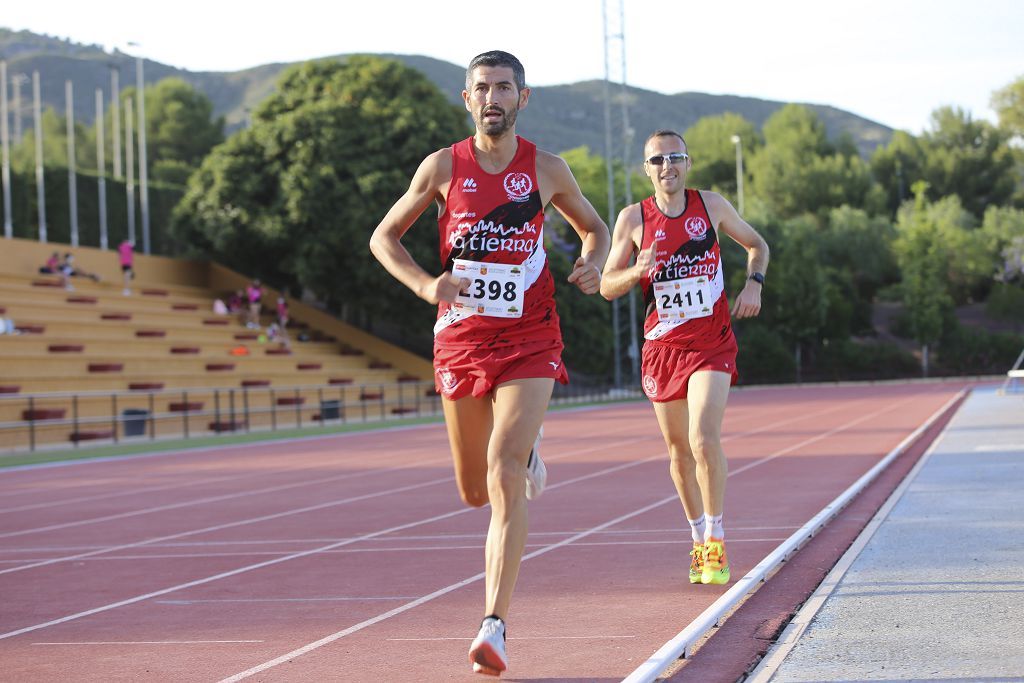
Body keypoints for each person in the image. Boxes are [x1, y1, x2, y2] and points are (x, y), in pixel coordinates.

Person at [369, 50, 609, 676]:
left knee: (502, 475)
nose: (494, 97)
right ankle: (526, 452)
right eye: (484, 89)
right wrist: (426, 286)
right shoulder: (444, 165)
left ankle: (494, 625)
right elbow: (383, 237)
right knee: (475, 491)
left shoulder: (548, 170)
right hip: (461, 339)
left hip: (531, 335)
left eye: (505, 87)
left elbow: (595, 228)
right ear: (467, 99)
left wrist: (590, 261)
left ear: (523, 98)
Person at [601, 129, 769, 588]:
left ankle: (716, 536)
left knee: (701, 437)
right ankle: (697, 537)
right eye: (657, 160)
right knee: (677, 451)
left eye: (674, 157)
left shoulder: (710, 206)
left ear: (688, 162)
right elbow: (606, 285)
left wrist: (754, 282)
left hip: (711, 343)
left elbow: (758, 244)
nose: (667, 166)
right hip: (662, 349)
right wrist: (637, 268)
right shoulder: (633, 220)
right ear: (647, 169)